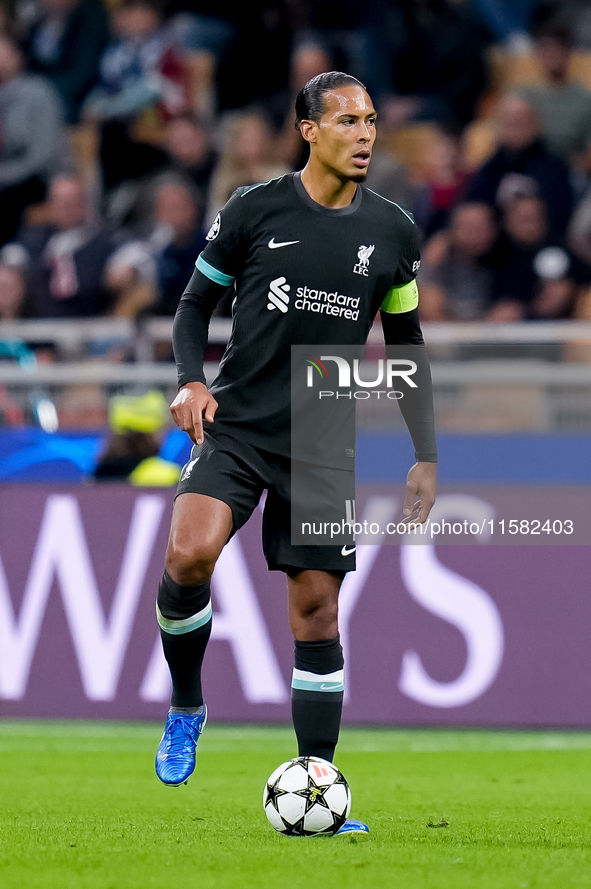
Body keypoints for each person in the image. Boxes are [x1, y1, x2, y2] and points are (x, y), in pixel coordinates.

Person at [154, 72, 437, 837]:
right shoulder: (254, 209)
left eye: (372, 119)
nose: (366, 133)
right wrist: (189, 379)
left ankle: (322, 782)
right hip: (239, 422)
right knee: (188, 555)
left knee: (315, 611)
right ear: (307, 129)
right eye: (348, 119)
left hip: (319, 436)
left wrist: (424, 452)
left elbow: (404, 342)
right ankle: (186, 703)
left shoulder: (393, 232)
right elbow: (192, 305)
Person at [465, 93, 574, 236]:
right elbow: (474, 208)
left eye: (522, 121)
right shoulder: (489, 168)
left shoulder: (555, 166)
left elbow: (560, 214)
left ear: (536, 124)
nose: (517, 129)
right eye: (511, 122)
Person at [0, 36, 71, 246]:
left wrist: (4, 175)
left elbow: (43, 154)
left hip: (41, 177)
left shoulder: (39, 92)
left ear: (18, 58)